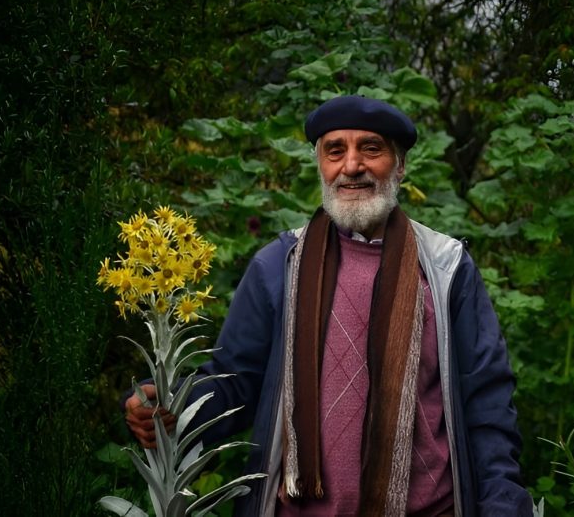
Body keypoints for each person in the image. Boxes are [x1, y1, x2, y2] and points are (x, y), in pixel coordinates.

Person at [125, 95, 534, 517]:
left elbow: (487, 404)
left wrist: (502, 504)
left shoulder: (446, 268)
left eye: (370, 149)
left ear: (400, 165)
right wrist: (168, 402)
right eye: (335, 150)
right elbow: (234, 386)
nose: (351, 166)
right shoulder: (278, 266)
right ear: (320, 163)